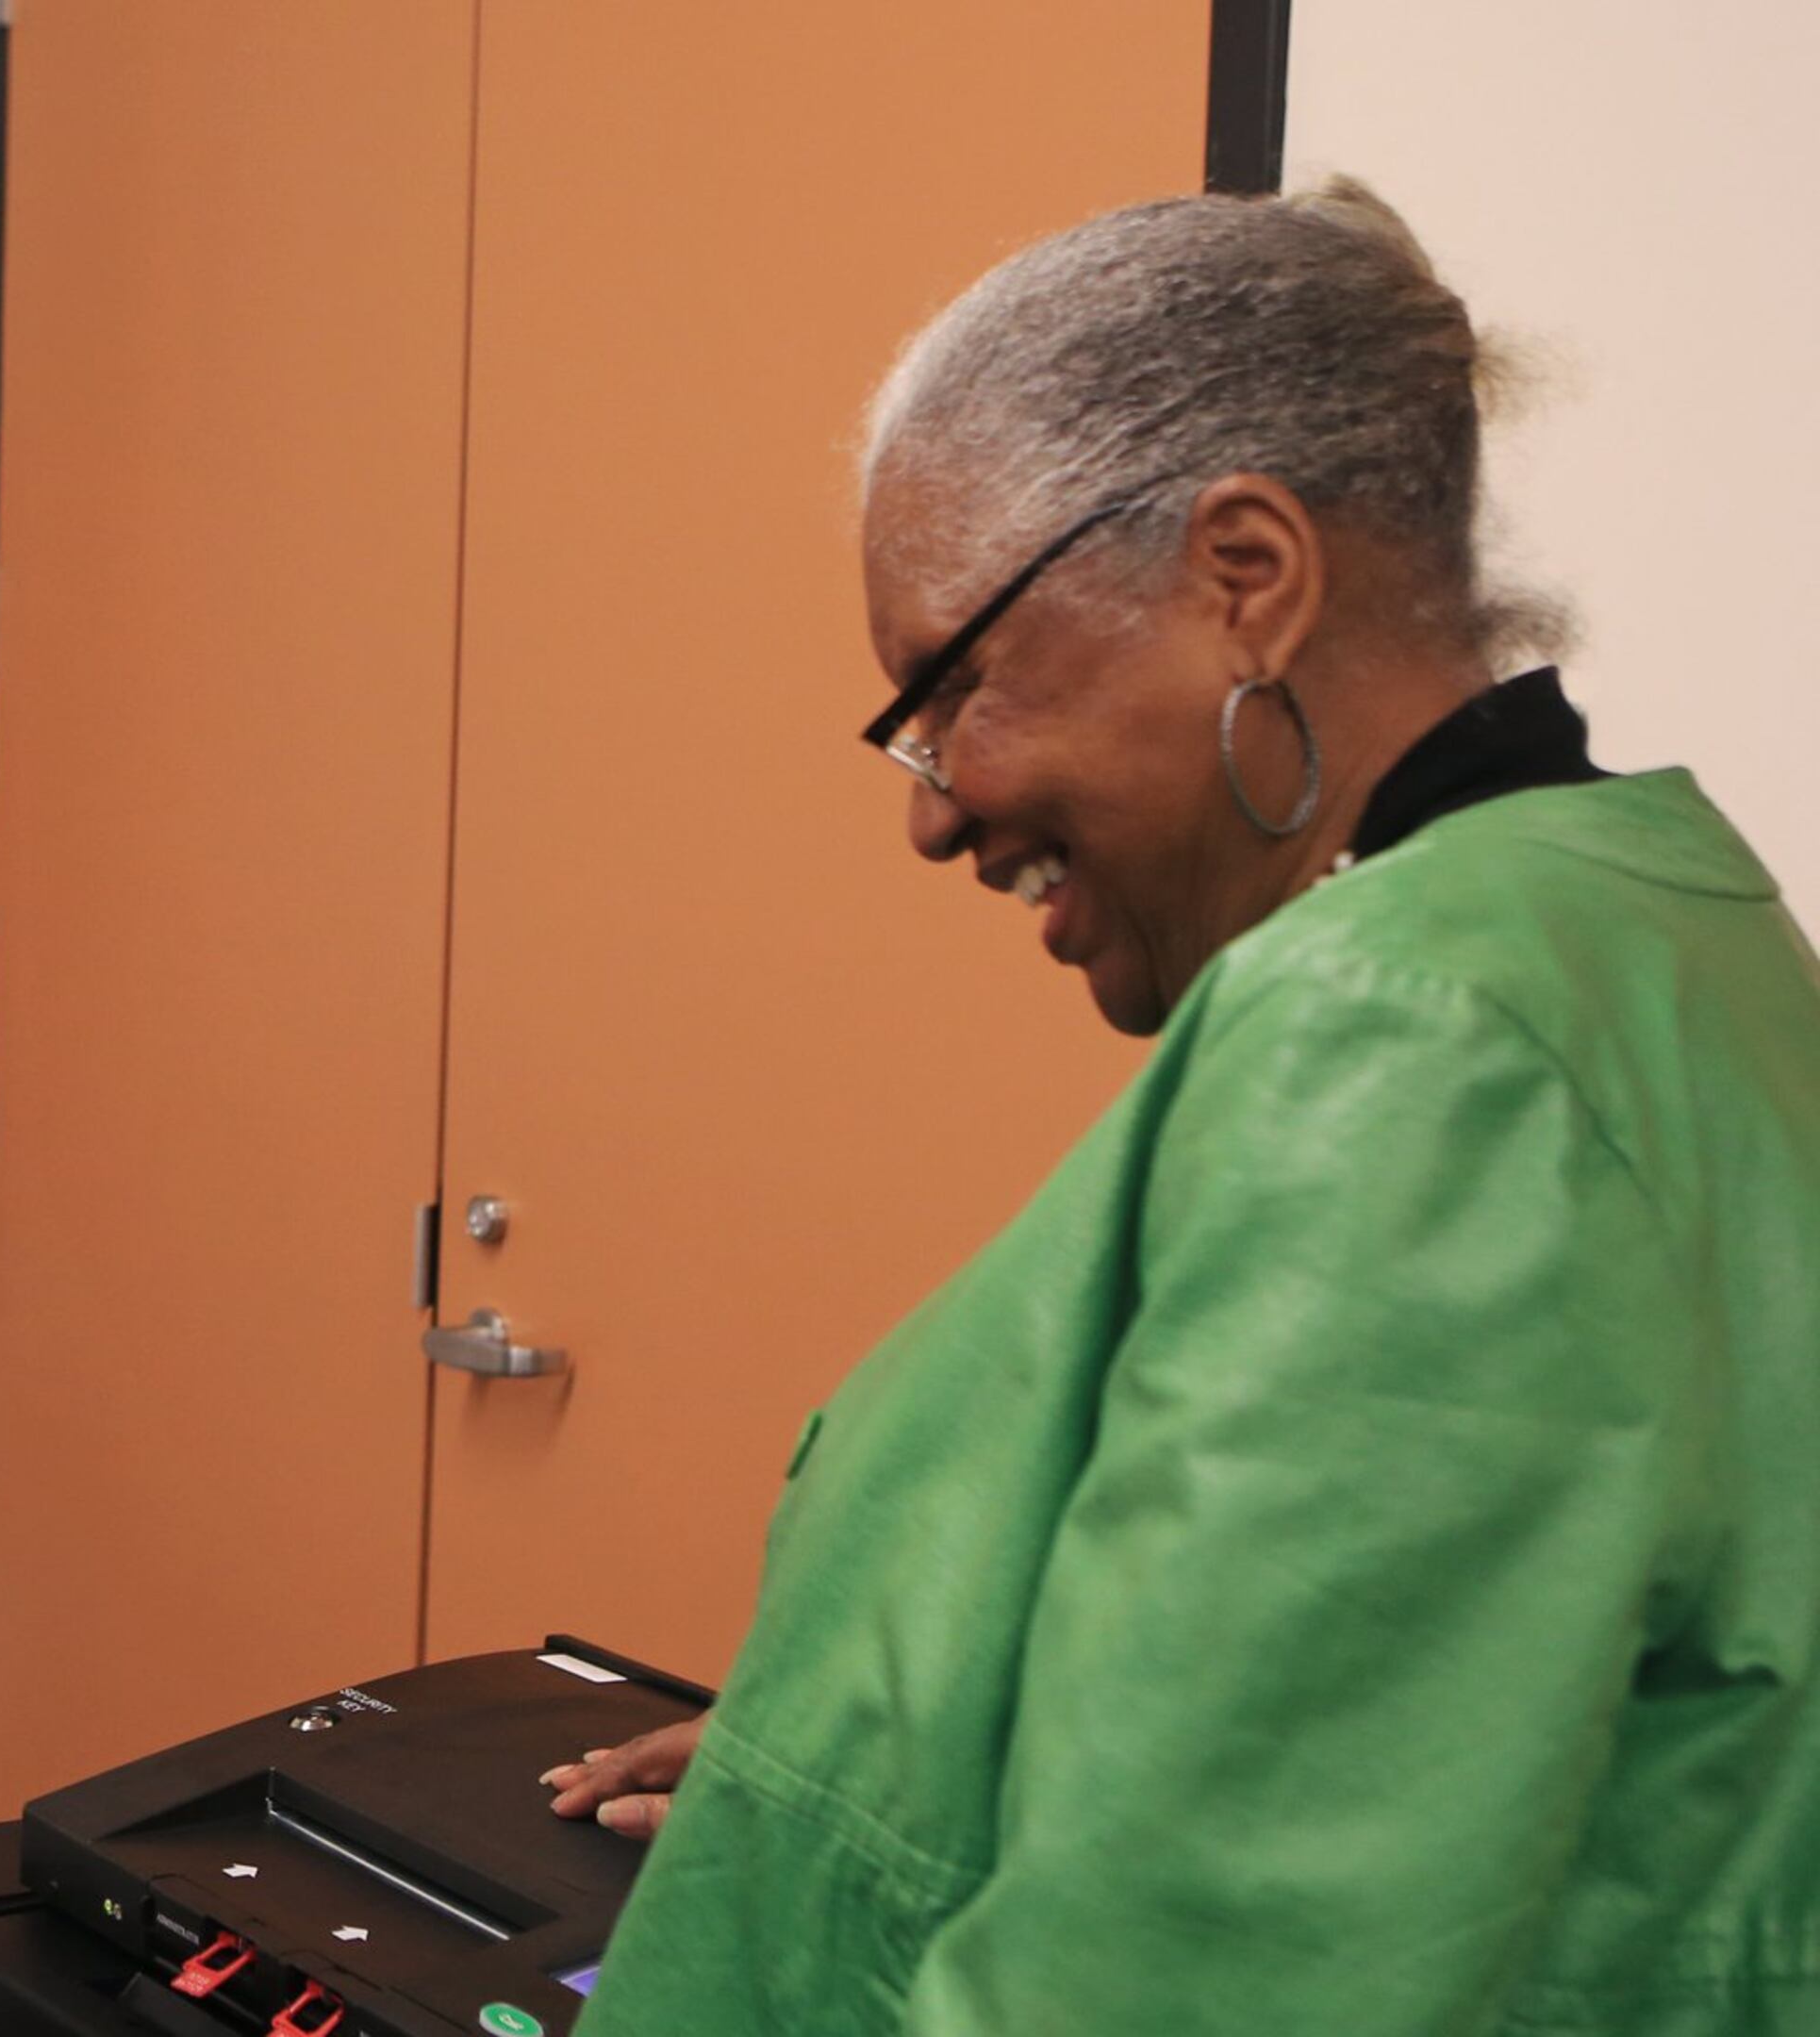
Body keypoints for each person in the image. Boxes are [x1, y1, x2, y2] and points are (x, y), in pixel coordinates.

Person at [541, 181, 1820, 2032]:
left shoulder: (1414, 1041)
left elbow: (1214, 1962)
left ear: (1247, 578)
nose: (934, 804)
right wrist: (870, 1766)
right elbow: (1438, 1705)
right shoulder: (1645, 929)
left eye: (957, 691)